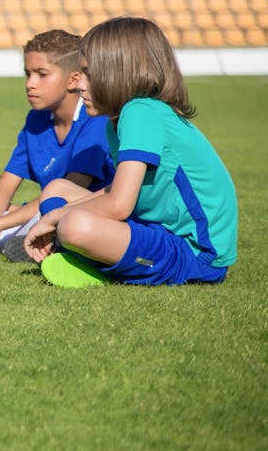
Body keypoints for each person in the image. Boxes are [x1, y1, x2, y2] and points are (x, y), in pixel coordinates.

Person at [22, 16, 237, 287]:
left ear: (118, 73)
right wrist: (59, 214)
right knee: (57, 189)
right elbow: (117, 191)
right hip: (157, 230)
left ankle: (83, 257)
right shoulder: (120, 119)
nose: (79, 84)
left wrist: (53, 218)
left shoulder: (140, 112)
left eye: (88, 73)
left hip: (196, 254)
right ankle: (74, 252)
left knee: (73, 226)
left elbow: (118, 205)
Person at [0, 29, 114, 263]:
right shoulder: (36, 120)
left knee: (63, 218)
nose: (30, 84)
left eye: (42, 74)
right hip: (42, 211)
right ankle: (7, 242)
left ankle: (19, 241)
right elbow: (5, 185)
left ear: (73, 80)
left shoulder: (95, 119)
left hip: (84, 212)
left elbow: (71, 191)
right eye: (27, 74)